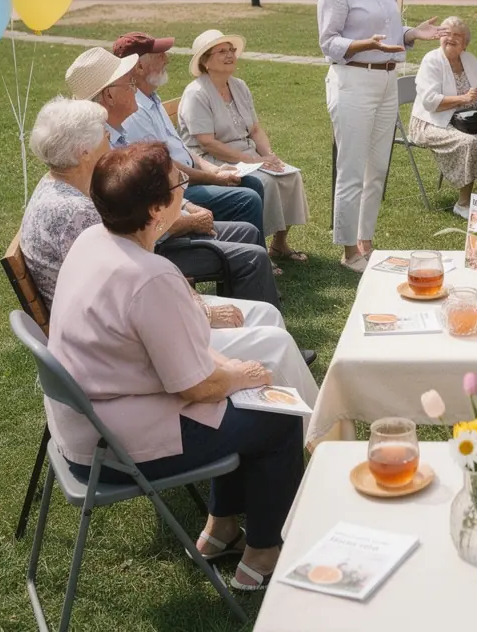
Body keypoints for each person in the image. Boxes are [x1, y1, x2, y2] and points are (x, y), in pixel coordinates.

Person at [47, 142, 305, 590]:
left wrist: (230, 373)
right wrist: (243, 374)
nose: (183, 189)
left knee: (243, 400)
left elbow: (175, 360)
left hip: (86, 426)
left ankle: (221, 530)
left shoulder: (94, 241)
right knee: (275, 421)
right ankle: (263, 556)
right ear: (155, 209)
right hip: (114, 446)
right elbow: (197, 388)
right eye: (177, 185)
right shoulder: (150, 275)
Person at [20, 98, 318, 401]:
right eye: (106, 137)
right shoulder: (77, 214)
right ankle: (306, 430)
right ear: (84, 152)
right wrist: (204, 315)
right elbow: (136, 294)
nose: (112, 144)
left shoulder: (64, 191)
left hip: (117, 335)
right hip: (119, 351)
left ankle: (286, 410)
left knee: (265, 316)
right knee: (274, 343)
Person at [65, 47, 280, 307]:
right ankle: (249, 323)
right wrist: (188, 221)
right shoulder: (102, 150)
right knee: (252, 255)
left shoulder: (114, 136)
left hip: (164, 228)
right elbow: (134, 228)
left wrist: (188, 206)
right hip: (155, 249)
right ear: (109, 95)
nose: (134, 87)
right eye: (128, 82)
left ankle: (247, 315)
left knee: (247, 232)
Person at [316, 0, 444, 272]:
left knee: (378, 169)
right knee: (352, 169)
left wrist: (411, 34)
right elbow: (329, 42)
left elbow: (391, 31)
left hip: (387, 80)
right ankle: (348, 252)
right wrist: (361, 44)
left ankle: (366, 242)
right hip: (353, 82)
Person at [112, 31, 267, 241]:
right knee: (247, 198)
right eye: (159, 56)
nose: (167, 59)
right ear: (139, 67)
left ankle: (252, 254)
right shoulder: (135, 110)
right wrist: (213, 178)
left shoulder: (151, 99)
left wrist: (215, 169)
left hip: (185, 180)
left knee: (251, 184)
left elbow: (183, 150)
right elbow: (165, 168)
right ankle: (246, 259)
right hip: (174, 190)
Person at [179, 30, 311, 265]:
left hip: (247, 155)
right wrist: (252, 162)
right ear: (205, 61)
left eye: (232, 50)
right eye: (222, 51)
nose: (230, 55)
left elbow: (256, 129)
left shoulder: (238, 86)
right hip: (213, 160)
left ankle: (279, 244)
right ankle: (256, 247)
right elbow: (206, 142)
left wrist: (268, 156)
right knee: (266, 182)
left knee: (290, 176)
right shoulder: (196, 93)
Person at [409, 16, 477, 219]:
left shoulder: (470, 60)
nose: (451, 38)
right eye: (446, 34)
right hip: (429, 122)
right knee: (469, 142)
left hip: (462, 120)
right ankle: (463, 203)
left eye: (457, 35)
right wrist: (462, 98)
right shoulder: (432, 60)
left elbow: (475, 101)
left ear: (465, 43)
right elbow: (430, 102)